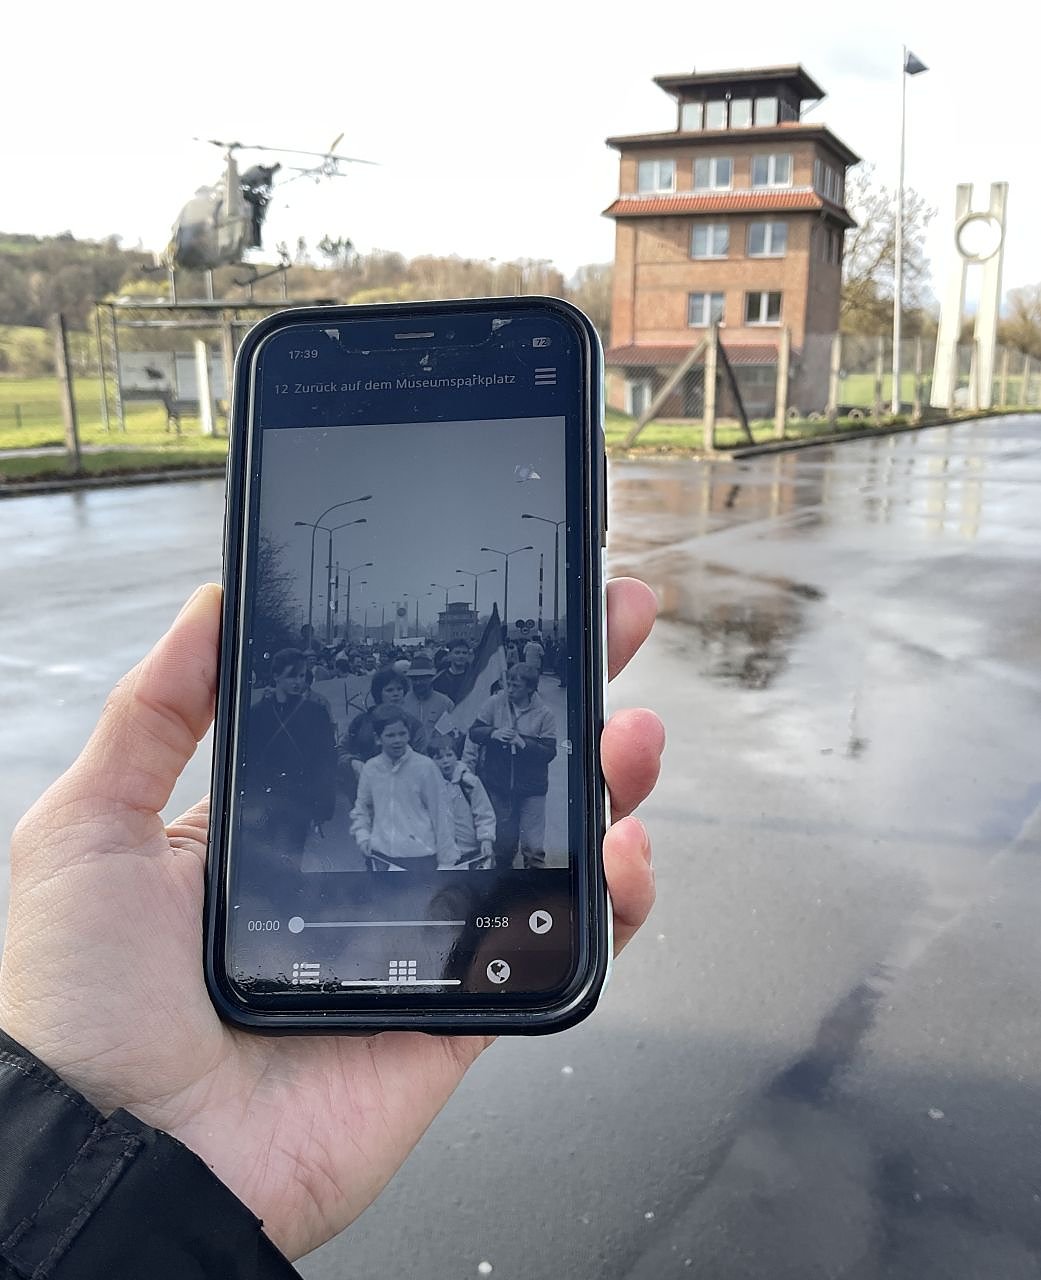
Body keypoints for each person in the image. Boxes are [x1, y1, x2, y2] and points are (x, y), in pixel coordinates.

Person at [0, 580, 662, 1275]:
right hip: (316, 827)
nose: (402, 712)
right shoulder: (329, 736)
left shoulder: (417, 741)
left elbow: (440, 802)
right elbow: (341, 784)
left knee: (462, 897)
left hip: (440, 828)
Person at [242, 647, 336, 873]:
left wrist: (323, 805)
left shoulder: (316, 713)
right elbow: (249, 760)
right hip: (267, 796)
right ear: (276, 676)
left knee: (291, 857)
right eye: (292, 676)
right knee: (263, 859)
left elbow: (326, 759)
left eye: (302, 676)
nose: (298, 682)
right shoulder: (257, 714)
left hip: (299, 797)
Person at [469, 661, 556, 869]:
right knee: (503, 846)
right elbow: (474, 732)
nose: (509, 689)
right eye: (508, 683)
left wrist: (523, 743)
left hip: (532, 789)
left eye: (515, 686)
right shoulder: (494, 703)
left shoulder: (545, 714)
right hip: (499, 785)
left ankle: (536, 885)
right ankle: (506, 883)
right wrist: (493, 733)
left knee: (533, 847)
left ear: (530, 688)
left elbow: (549, 752)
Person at [350, 706, 458, 870]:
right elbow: (362, 808)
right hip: (382, 858)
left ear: (409, 735)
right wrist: (363, 836)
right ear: (378, 738)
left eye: (402, 734)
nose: (397, 740)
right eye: (390, 735)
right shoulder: (371, 769)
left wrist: (446, 861)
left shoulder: (425, 767)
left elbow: (441, 814)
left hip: (420, 858)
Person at [430, 735, 496, 868]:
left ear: (456, 756)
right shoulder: (429, 786)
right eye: (439, 758)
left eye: (449, 755)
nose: (445, 761)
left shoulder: (469, 782)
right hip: (442, 855)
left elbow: (484, 813)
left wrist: (486, 839)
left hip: (472, 851)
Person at [401, 650, 455, 750]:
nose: (418, 682)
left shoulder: (445, 703)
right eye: (414, 679)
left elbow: (449, 735)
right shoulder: (402, 702)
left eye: (423, 678)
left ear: (431, 678)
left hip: (436, 754)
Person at [432, 638, 473, 705]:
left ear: (468, 655)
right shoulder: (439, 678)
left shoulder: (473, 678)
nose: (461, 656)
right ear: (449, 654)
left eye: (464, 653)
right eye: (457, 653)